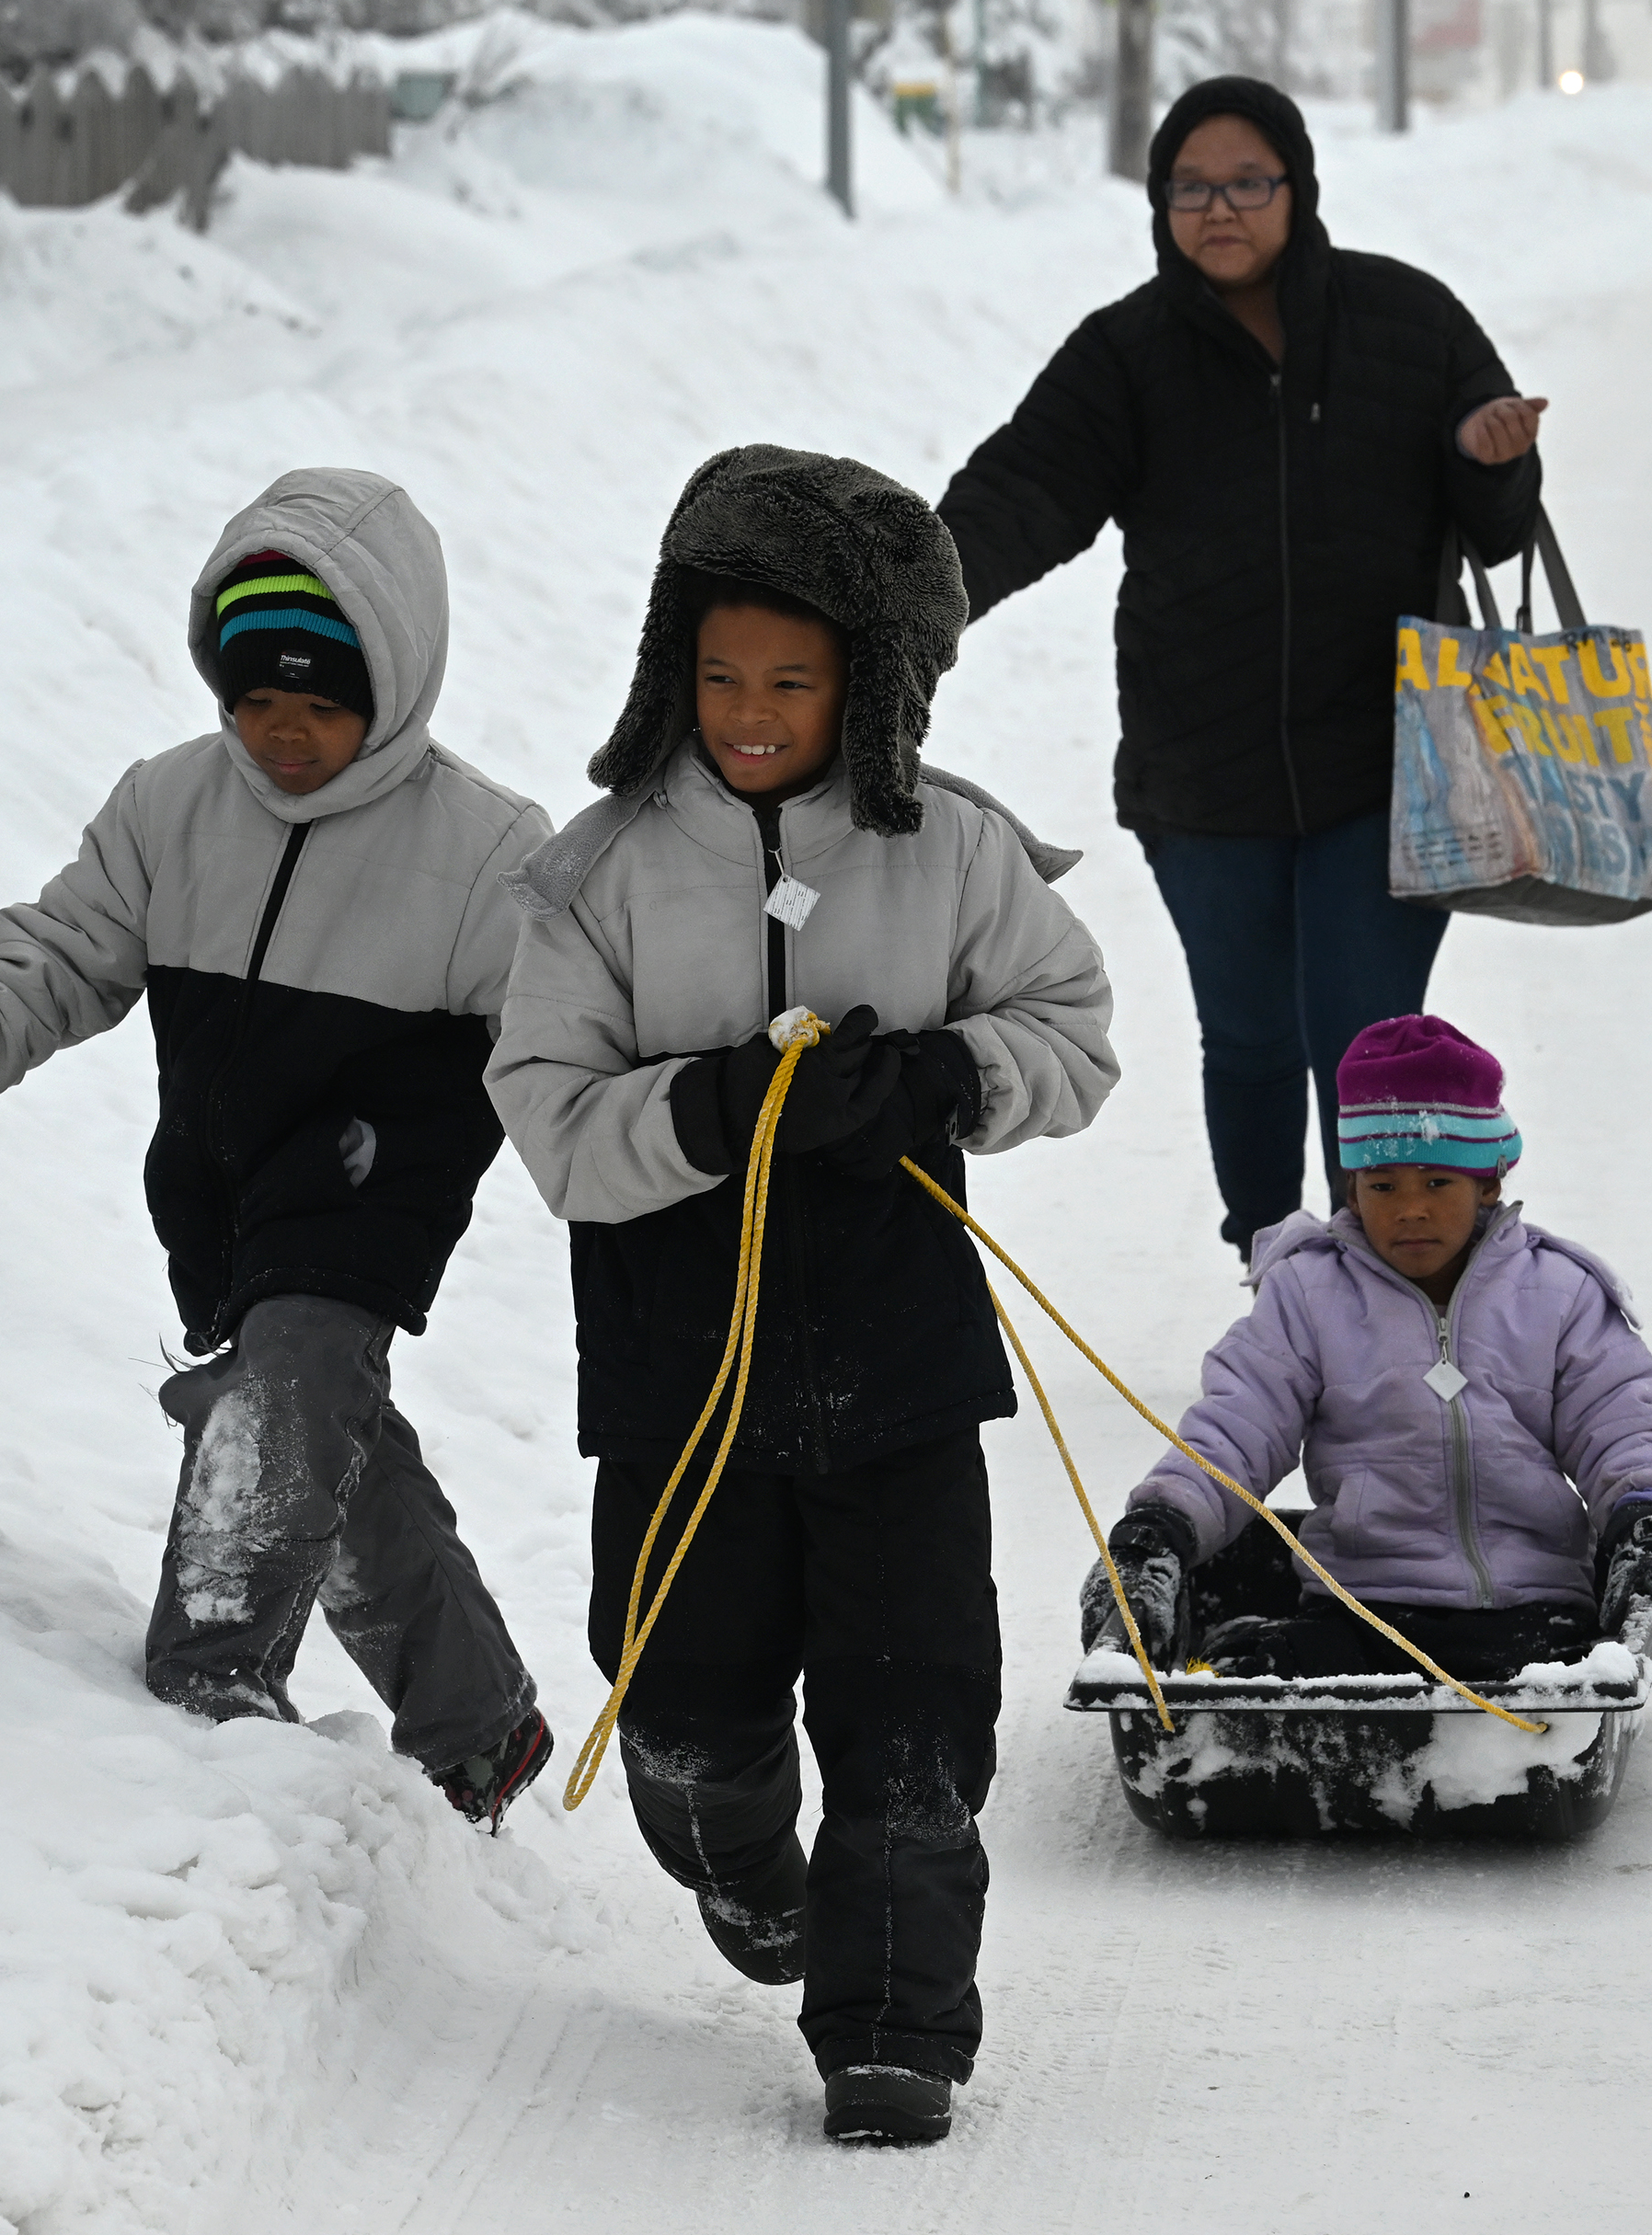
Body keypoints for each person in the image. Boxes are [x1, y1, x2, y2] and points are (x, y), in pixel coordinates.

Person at [486, 444, 1117, 2146]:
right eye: (719, 675)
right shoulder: (596, 870)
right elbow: (548, 1115)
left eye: (793, 678)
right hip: (678, 1363)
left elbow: (1073, 1035)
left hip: (898, 1360)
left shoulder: (953, 849)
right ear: (667, 667)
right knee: (679, 1706)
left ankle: (896, 2022)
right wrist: (700, 1108)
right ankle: (743, 1858)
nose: (751, 711)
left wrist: (942, 1078)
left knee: (914, 1716)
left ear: (875, 677)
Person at [0, 467, 558, 1828]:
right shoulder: (169, 807)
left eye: (320, 705)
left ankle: (211, 1698)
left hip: (371, 1188)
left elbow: (572, 1035)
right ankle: (480, 1718)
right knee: (318, 1437)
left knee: (281, 1409)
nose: (283, 734)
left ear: (393, 686)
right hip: (220, 1197)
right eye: (254, 701)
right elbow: (64, 949)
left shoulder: (488, 848)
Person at [936, 75, 1549, 1258]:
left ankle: (1381, 1271)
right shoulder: (1127, 355)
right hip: (1202, 770)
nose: (1220, 209)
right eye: (1191, 188)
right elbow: (1024, 492)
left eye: (1247, 183)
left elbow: (1503, 524)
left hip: (1387, 766)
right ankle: (1276, 1267)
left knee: (1368, 1037)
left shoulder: (1408, 322)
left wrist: (1488, 461)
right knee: (1254, 1033)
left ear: (1297, 188)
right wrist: (910, 598)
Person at [1083, 1014, 1652, 1687]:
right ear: (1353, 1187)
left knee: (1552, 1687)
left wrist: (1650, 1524)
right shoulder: (1309, 1293)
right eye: (1383, 1186)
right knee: (1260, 1677)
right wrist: (1160, 1529)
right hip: (1359, 1609)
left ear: (1488, 1184)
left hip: (1534, 1610)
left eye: (1437, 1183)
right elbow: (1236, 1429)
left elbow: (1618, 1425)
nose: (1410, 1209)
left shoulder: (1559, 1293)